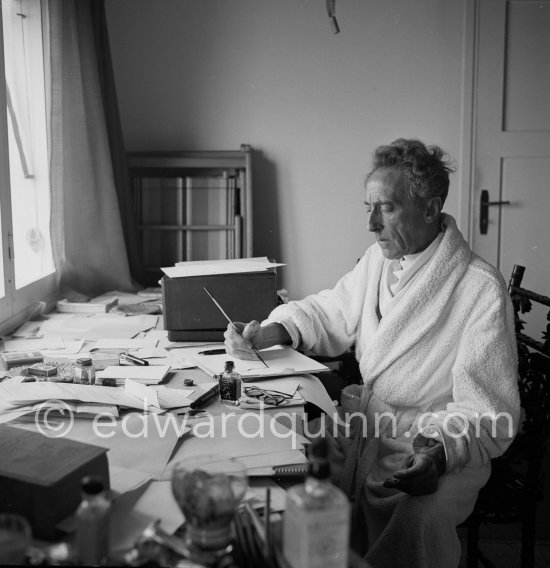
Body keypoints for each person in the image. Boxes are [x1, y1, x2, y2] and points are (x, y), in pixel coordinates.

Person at [224, 138, 520, 568]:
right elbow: (331, 309)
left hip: (434, 443)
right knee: (284, 460)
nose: (371, 224)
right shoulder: (378, 261)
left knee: (417, 516)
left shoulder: (480, 289)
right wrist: (273, 330)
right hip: (368, 429)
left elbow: (488, 409)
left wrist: (438, 453)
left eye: (386, 208)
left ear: (431, 208)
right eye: (369, 207)